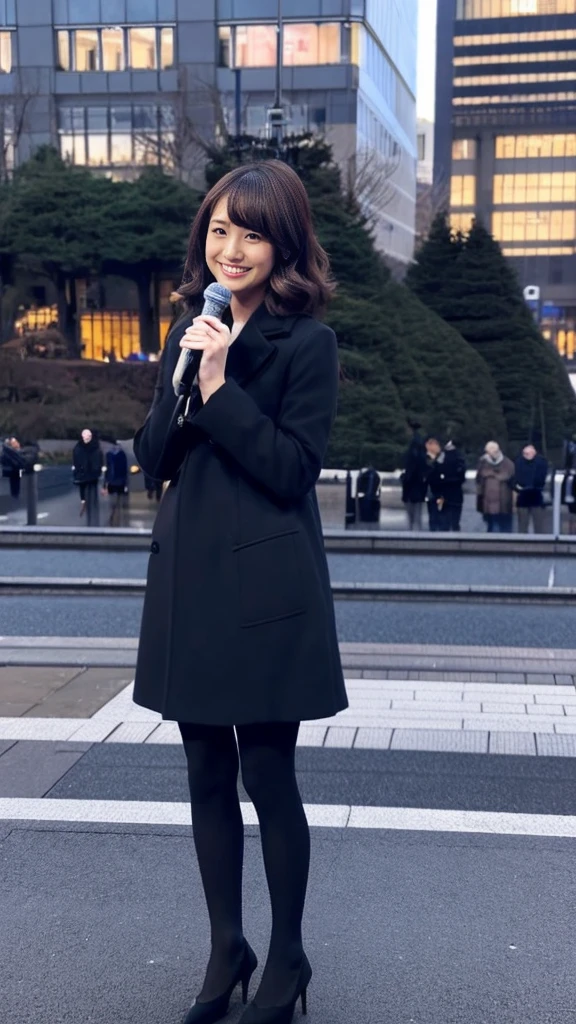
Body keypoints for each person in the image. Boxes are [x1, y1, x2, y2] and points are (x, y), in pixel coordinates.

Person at [133, 160, 348, 1024]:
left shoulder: (309, 344)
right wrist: (187, 383)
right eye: (219, 229)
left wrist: (222, 389)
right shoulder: (192, 327)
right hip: (190, 580)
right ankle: (227, 948)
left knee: (267, 772)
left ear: (284, 242)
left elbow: (293, 470)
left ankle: (288, 957)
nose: (231, 248)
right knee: (203, 772)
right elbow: (153, 459)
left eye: (251, 232)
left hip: (266, 584)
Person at [425, 436, 466, 532]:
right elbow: (462, 476)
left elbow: (433, 477)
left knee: (443, 520)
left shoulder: (441, 459)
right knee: (455, 520)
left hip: (442, 494)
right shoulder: (459, 458)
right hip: (455, 493)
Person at [476, 441, 515, 533]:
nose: (488, 454)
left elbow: (509, 476)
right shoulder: (482, 462)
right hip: (487, 502)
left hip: (504, 501)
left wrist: (491, 474)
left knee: (505, 526)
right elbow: (478, 478)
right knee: (491, 525)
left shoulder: (507, 462)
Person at [513, 443, 549, 534]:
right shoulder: (518, 462)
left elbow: (541, 478)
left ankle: (540, 542)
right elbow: (514, 478)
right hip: (524, 496)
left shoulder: (541, 462)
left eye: (529, 453)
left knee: (539, 524)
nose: (527, 455)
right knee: (523, 525)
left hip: (535, 495)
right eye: (525, 453)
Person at [72, 428, 103, 524]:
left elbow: (76, 460)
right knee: (89, 490)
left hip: (85, 473)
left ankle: (84, 502)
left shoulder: (79, 447)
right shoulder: (95, 447)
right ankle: (86, 504)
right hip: (90, 474)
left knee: (84, 488)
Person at [401, 422, 428, 530]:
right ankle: (416, 528)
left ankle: (413, 529)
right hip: (418, 484)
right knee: (417, 511)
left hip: (413, 484)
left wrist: (406, 478)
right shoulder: (419, 443)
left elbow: (413, 465)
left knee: (413, 512)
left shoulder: (414, 445)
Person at [103, 440, 129, 527]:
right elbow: (124, 470)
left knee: (113, 501)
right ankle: (116, 517)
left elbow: (107, 469)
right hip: (119, 480)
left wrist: (106, 481)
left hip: (113, 480)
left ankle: (113, 516)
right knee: (118, 500)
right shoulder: (122, 455)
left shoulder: (109, 455)